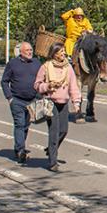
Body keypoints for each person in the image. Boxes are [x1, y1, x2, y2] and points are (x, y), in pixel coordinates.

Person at [34, 42, 81, 172]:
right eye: (61, 51)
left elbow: (73, 87)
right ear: (54, 54)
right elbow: (37, 85)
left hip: (63, 103)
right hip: (50, 102)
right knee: (54, 132)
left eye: (64, 51)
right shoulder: (45, 66)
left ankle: (51, 149)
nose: (64, 53)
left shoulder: (68, 68)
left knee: (63, 130)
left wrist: (76, 104)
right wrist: (47, 86)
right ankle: (53, 162)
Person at [0, 41, 42, 163]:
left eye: (31, 50)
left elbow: (42, 79)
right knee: (19, 124)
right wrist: (9, 97)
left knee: (26, 125)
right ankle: (20, 150)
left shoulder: (37, 63)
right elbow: (4, 81)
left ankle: (18, 147)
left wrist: (39, 96)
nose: (30, 52)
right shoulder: (12, 64)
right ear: (21, 52)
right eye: (27, 50)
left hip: (32, 100)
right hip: (17, 100)